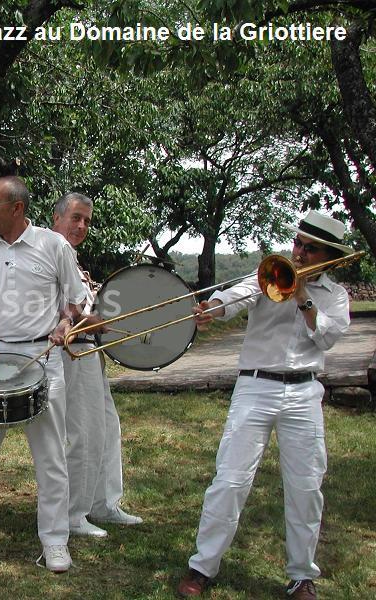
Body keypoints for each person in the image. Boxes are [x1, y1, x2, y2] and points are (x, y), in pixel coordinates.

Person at [177, 210, 354, 600]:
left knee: (307, 486)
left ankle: (301, 576)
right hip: (255, 387)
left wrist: (302, 295)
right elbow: (236, 296)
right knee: (230, 479)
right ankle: (202, 565)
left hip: (305, 392)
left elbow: (324, 339)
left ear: (328, 256)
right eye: (298, 244)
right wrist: (213, 309)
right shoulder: (269, 275)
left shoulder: (336, 297)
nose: (300, 252)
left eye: (311, 249)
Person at [0, 175, 86, 573]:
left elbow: (75, 300)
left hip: (42, 358)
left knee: (51, 458)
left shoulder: (53, 245)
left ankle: (55, 542)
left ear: (17, 209)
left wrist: (64, 324)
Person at [50, 192, 141, 541]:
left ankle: (104, 503)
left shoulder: (71, 258)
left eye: (87, 220)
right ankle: (74, 513)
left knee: (107, 427)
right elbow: (61, 310)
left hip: (90, 352)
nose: (82, 225)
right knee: (83, 432)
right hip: (71, 353)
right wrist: (92, 321)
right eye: (75, 217)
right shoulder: (50, 253)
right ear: (57, 218)